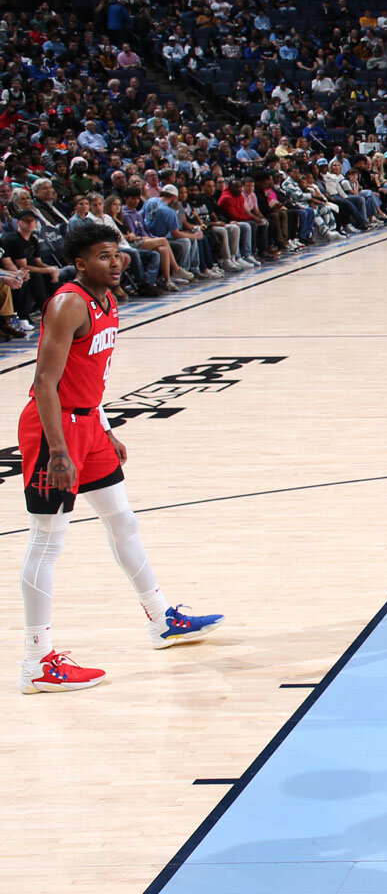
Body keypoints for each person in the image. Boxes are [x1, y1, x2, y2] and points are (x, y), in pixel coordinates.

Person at [17, 223, 223, 694]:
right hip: (56, 429)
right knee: (47, 541)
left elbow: (90, 375)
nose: (117, 261)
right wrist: (58, 451)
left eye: (118, 254)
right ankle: (36, 661)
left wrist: (105, 428)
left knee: (123, 521)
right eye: (104, 256)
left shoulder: (109, 301)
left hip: (88, 424)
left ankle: (161, 620)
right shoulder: (69, 303)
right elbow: (44, 384)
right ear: (81, 263)